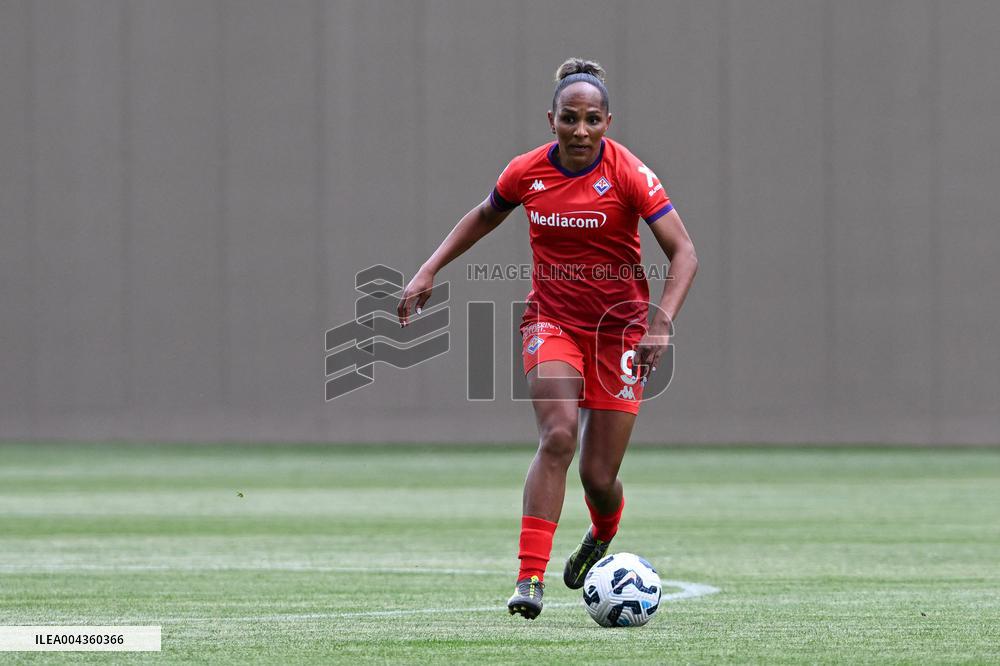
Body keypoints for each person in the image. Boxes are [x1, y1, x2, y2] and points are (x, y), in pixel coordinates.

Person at [397, 58, 698, 620]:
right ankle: (529, 578)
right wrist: (428, 269)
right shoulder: (527, 171)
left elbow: (684, 251)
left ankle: (601, 534)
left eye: (591, 119)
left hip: (619, 334)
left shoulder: (630, 174)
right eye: (568, 118)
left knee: (598, 476)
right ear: (551, 119)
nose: (579, 130)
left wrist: (661, 322)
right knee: (559, 436)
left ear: (608, 121)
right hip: (551, 323)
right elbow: (484, 215)